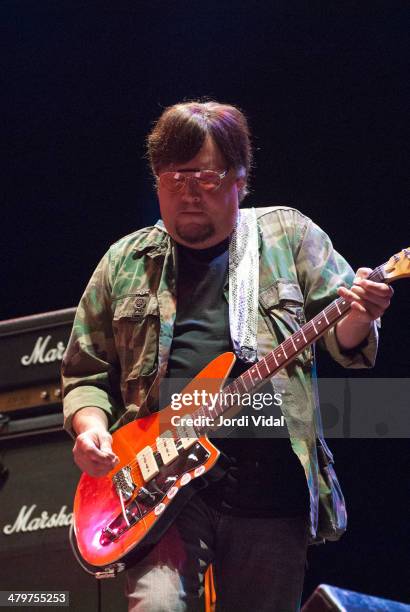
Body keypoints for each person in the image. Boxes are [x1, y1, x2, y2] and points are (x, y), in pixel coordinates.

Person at [62, 101, 393, 612]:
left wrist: (361, 313)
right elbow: (84, 374)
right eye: (174, 177)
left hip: (271, 486)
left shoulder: (289, 236)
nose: (189, 191)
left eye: (207, 176)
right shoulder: (124, 261)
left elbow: (345, 342)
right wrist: (89, 428)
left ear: (241, 179)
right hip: (160, 488)